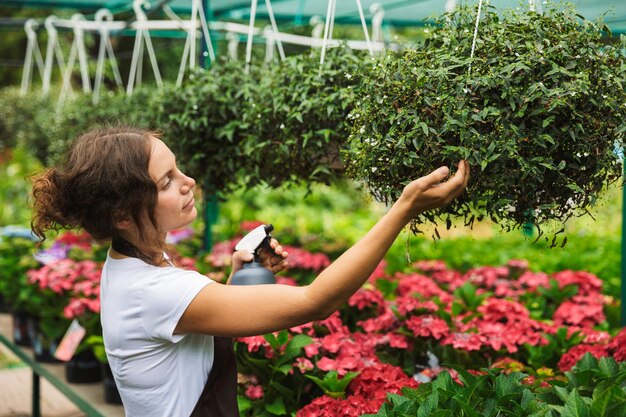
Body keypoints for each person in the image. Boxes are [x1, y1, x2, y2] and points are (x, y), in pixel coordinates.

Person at [30, 125, 469, 417]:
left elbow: (186, 334)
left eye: (178, 168)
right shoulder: (153, 290)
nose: (188, 182)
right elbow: (317, 302)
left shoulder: (133, 264)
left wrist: (237, 275)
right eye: (166, 182)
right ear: (123, 214)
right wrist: (403, 209)